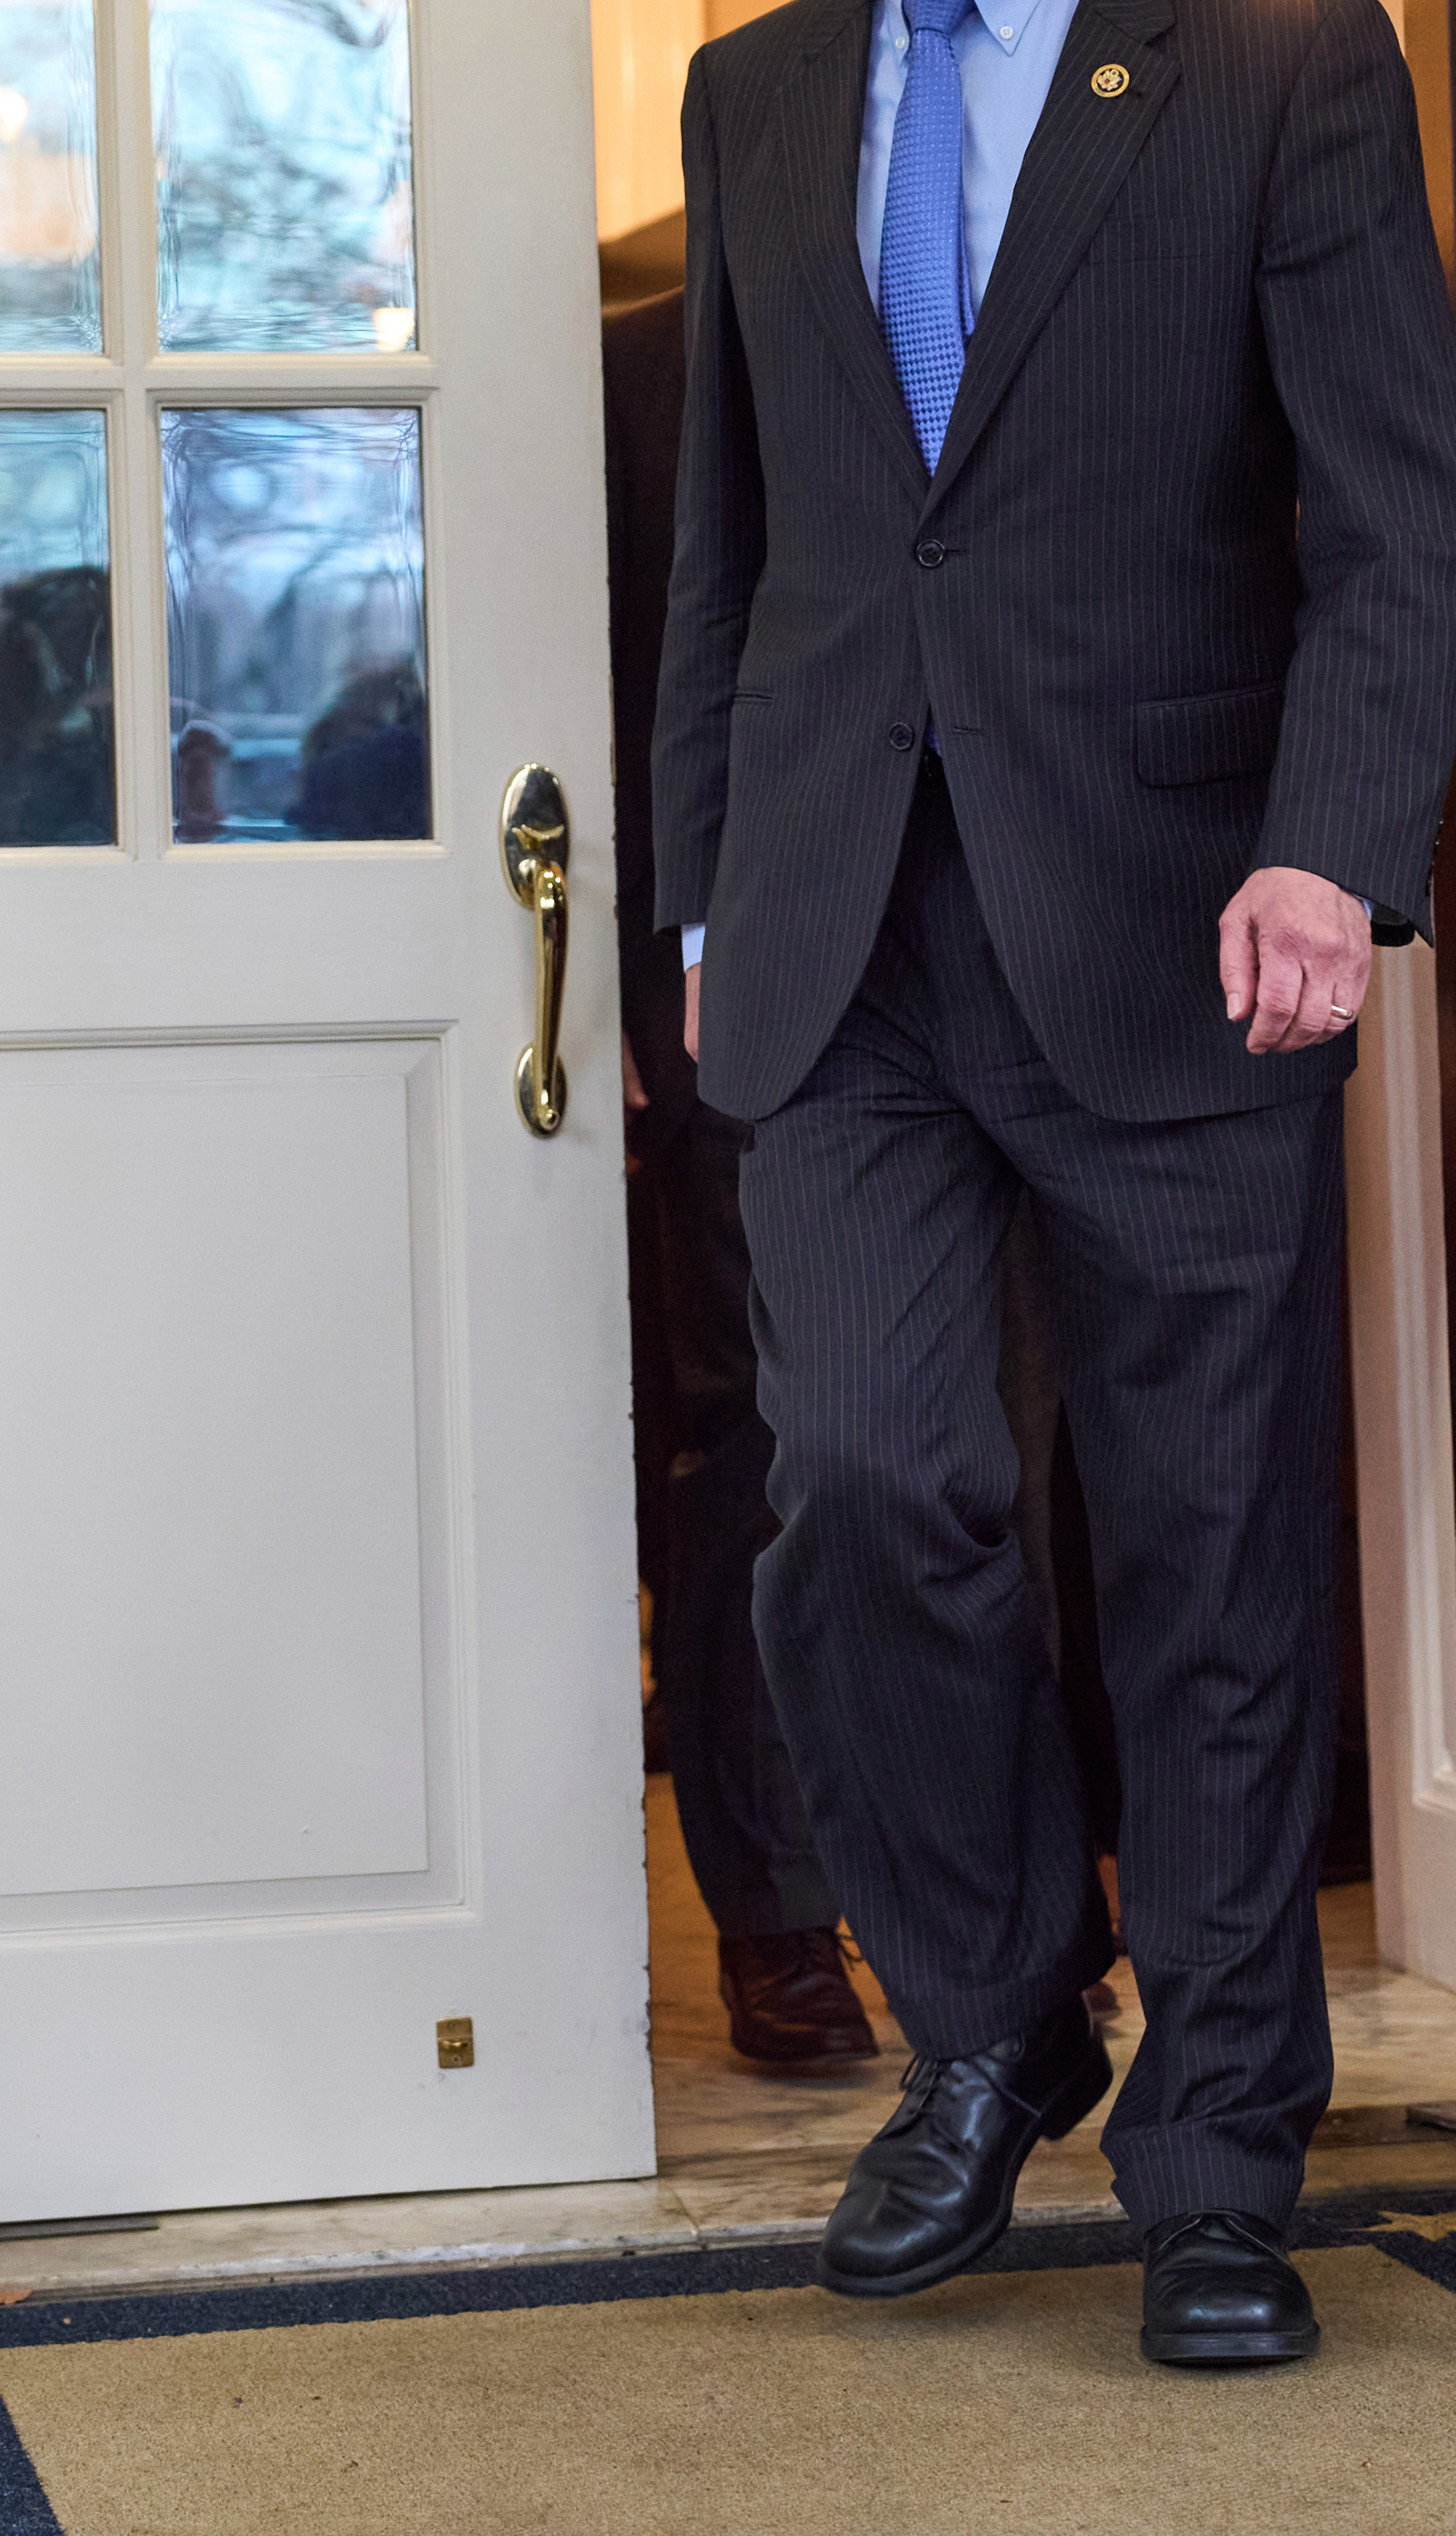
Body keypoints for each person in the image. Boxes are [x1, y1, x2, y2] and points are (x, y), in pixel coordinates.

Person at [648, 0, 1456, 2369]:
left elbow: (1387, 503)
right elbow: (728, 561)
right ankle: (992, 2023)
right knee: (870, 1492)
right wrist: (690, 884)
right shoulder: (747, 91)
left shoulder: (1268, 59)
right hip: (837, 936)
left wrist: (1327, 847)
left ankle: (1220, 2153)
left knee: (1206, 1554)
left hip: (1168, 926)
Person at [602, 260, 878, 2074]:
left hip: (994, 978)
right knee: (755, 1453)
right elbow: (602, 688)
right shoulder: (632, 378)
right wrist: (622, 979)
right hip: (722, 997)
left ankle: (990, 1900)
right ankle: (772, 1920)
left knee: (980, 1462)